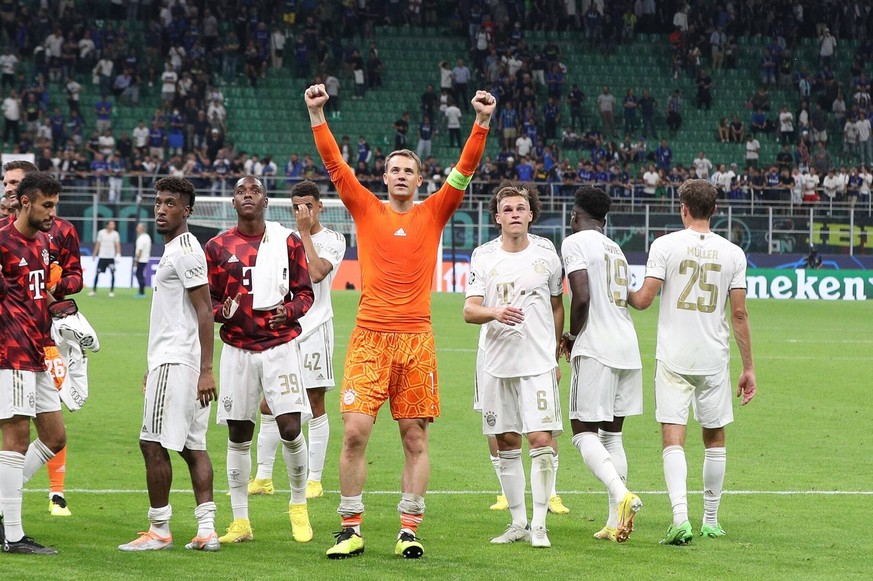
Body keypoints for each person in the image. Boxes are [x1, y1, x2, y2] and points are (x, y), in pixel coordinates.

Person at [305, 82, 494, 559]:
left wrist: (481, 123)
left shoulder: (435, 211)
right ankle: (350, 527)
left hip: (416, 340)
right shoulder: (365, 207)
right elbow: (334, 166)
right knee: (353, 433)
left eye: (409, 170)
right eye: (394, 170)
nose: (402, 176)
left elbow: (466, 169)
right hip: (369, 337)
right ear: (385, 177)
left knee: (414, 436)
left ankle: (409, 529)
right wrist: (316, 114)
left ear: (419, 177)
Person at [628, 179, 757, 545]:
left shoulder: (665, 245)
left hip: (674, 356)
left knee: (674, 436)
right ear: (714, 210)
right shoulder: (733, 253)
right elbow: (740, 314)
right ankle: (711, 520)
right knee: (714, 435)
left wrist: (617, 291)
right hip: (714, 356)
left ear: (682, 208)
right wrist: (748, 368)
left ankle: (680, 518)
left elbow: (643, 300)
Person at [205, 176, 315, 545]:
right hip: (237, 350)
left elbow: (304, 293)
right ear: (233, 202)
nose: (247, 195)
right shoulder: (218, 247)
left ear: (265, 200)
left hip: (279, 347)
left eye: (254, 190)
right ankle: (240, 522)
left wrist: (291, 310)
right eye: (240, 191)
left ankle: (298, 505)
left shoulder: (287, 241)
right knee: (239, 433)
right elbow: (208, 302)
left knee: (289, 427)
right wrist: (224, 310)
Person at [118, 177, 220, 552]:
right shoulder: (179, 249)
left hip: (179, 362)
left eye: (171, 203)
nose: (162, 209)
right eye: (159, 202)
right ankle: (206, 529)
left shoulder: (185, 252)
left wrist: (207, 369)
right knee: (193, 446)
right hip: (176, 360)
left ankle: (159, 530)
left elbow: (205, 311)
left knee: (151, 443)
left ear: (187, 210)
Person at [464, 184, 563, 549]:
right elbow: (469, 310)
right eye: (508, 210)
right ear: (498, 218)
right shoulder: (484, 257)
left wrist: (554, 352)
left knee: (540, 440)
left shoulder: (547, 255)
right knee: (506, 441)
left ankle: (539, 525)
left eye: (521, 208)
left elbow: (556, 306)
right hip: (496, 364)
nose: (515, 214)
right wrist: (495, 312)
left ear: (531, 214)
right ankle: (518, 521)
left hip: (536, 363)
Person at [249, 180, 346, 499]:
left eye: (307, 205)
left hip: (316, 329)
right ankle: (263, 477)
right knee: (269, 402)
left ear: (320, 206)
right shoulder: (282, 240)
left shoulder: (332, 239)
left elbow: (317, 273)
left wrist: (304, 232)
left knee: (315, 402)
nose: (301, 212)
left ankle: (315, 479)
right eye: (295, 207)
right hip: (284, 331)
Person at [559, 186, 643, 543]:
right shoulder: (616, 249)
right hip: (627, 345)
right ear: (604, 219)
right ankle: (614, 522)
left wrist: (571, 336)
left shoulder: (575, 241)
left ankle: (623, 495)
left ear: (576, 215)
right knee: (612, 435)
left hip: (596, 345)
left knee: (582, 432)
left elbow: (582, 297)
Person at [0, 171, 66, 554]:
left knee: (55, 436)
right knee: (16, 438)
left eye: (54, 205)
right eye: (47, 205)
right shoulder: (2, 242)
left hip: (40, 350)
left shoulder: (43, 243)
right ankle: (13, 536)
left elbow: (35, 295)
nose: (52, 213)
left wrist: (62, 312)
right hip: (10, 353)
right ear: (26, 202)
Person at [88, 219, 121, 297]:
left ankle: (111, 291)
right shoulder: (101, 233)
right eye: (111, 224)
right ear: (107, 225)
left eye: (114, 224)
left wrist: (118, 254)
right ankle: (93, 290)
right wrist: (94, 254)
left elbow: (117, 245)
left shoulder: (115, 234)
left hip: (111, 257)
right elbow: (98, 244)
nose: (113, 226)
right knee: (97, 273)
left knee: (112, 273)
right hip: (102, 256)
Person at [134, 223, 152, 297]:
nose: (136, 229)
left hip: (141, 259)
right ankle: (141, 291)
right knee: (140, 274)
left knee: (139, 274)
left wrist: (136, 260)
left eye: (138, 227)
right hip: (145, 258)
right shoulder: (147, 237)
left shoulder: (141, 238)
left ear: (142, 229)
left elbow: (140, 251)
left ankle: (141, 292)